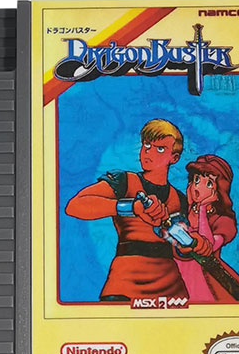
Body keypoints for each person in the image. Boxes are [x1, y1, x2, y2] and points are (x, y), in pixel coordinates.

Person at [65, 119, 188, 301]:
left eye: (160, 149)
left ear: (174, 158)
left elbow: (182, 248)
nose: (148, 152)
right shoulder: (124, 181)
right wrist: (130, 207)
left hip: (170, 286)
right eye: (147, 145)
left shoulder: (180, 199)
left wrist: (189, 244)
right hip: (125, 280)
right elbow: (75, 205)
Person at [175, 154, 239, 303]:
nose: (198, 187)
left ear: (219, 191)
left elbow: (208, 246)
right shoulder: (183, 210)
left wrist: (203, 209)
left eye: (209, 183)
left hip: (204, 279)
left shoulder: (223, 221)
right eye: (196, 180)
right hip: (176, 273)